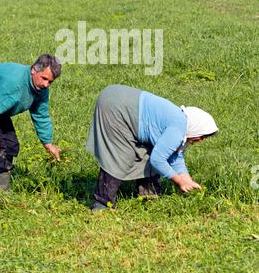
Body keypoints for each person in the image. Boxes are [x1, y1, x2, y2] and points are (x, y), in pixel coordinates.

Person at [86, 84, 218, 211]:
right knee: (120, 156)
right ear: (196, 128)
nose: (200, 141)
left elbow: (175, 156)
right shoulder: (177, 129)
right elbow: (158, 160)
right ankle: (102, 204)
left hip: (117, 97)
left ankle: (148, 193)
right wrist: (179, 181)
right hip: (115, 107)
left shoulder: (180, 122)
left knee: (149, 148)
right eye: (202, 136)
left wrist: (188, 180)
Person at [0, 54, 61, 191]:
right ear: (34, 69)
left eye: (50, 81)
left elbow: (41, 115)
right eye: (44, 78)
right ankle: (1, 194)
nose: (46, 84)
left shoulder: (41, 89)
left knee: (11, 146)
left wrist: (48, 143)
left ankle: (3, 179)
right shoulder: (14, 84)